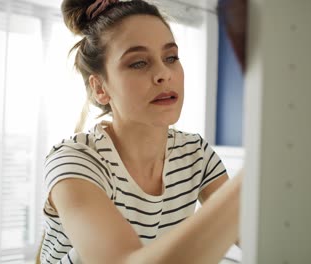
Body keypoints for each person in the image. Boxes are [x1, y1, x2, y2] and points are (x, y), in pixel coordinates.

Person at [37, 0, 243, 263]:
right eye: (138, 63)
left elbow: (257, 232)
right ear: (100, 88)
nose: (163, 74)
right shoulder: (74, 162)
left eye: (171, 57)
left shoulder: (195, 154)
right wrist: (249, 182)